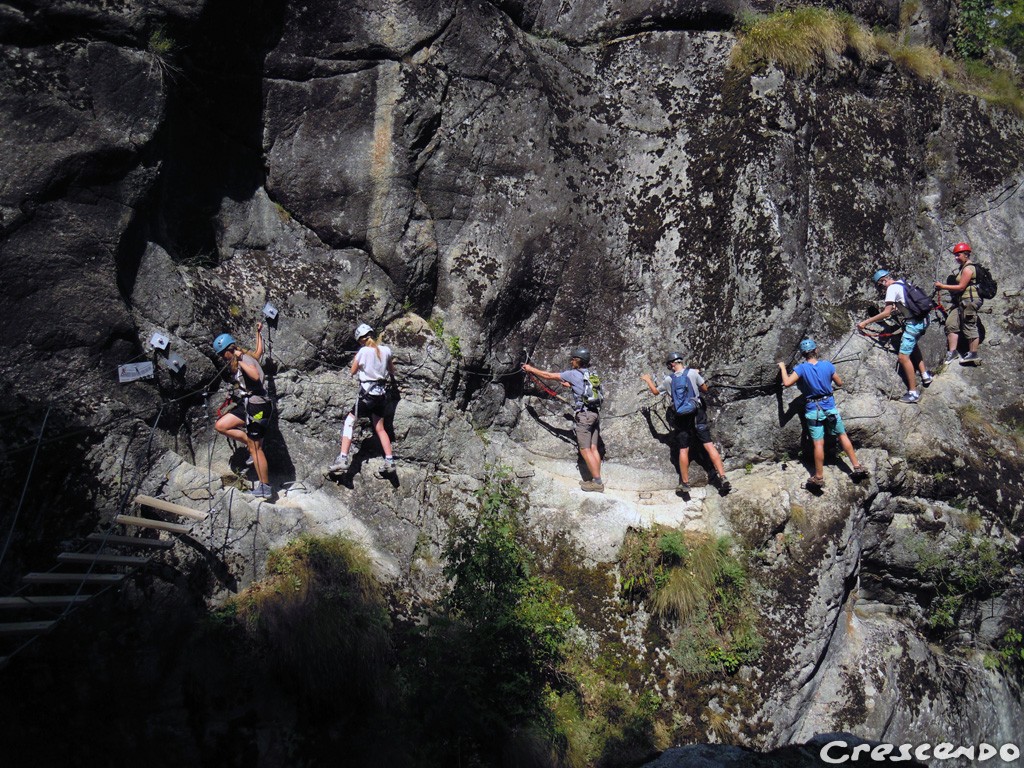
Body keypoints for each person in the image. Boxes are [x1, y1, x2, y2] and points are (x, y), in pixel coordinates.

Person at [779, 339, 868, 488]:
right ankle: (857, 466)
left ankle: (819, 477)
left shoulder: (801, 369)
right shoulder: (827, 365)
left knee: (818, 443)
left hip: (813, 410)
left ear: (802, 354)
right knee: (842, 435)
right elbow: (839, 383)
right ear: (816, 350)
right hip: (830, 408)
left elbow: (787, 383)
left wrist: (782, 367)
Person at [640, 352, 731, 494]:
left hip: (681, 417)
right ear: (680, 361)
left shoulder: (669, 380)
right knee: (708, 445)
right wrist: (697, 377)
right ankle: (723, 477)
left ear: (672, 364)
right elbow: (705, 389)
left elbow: (656, 392)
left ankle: (685, 483)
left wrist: (648, 380)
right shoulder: (692, 373)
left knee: (684, 449)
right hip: (697, 414)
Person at [522, 347, 604, 492]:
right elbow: (585, 388)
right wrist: (571, 385)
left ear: (577, 360)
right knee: (593, 448)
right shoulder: (591, 374)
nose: (571, 361)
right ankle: (596, 480)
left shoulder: (572, 374)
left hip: (584, 416)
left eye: (573, 359)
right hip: (594, 413)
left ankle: (597, 483)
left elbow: (548, 375)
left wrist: (530, 369)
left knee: (585, 449)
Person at [329, 323, 397, 475]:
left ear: (361, 340)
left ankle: (343, 458)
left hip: (367, 396)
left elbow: (352, 371)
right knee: (380, 428)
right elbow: (392, 370)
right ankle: (389, 460)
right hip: (381, 396)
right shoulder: (386, 350)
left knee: (349, 422)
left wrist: (358, 360)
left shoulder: (363, 351)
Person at [857, 269, 933, 403]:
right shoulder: (903, 283)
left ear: (883, 281)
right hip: (924, 319)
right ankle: (925, 375)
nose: (881, 289)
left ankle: (913, 393)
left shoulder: (891, 289)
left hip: (914, 324)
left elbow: (886, 313)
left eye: (880, 286)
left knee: (903, 358)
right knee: (913, 345)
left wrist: (865, 322)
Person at [213, 332, 273, 499]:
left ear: (229, 350)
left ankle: (265, 487)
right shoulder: (247, 356)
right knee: (221, 425)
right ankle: (249, 442)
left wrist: (239, 359)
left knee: (256, 448)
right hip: (247, 404)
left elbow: (255, 375)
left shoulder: (243, 358)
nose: (222, 358)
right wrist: (258, 333)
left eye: (222, 354)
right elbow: (259, 352)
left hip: (258, 406)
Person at [934, 242, 981, 365]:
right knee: (951, 324)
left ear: (966, 254)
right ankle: (953, 352)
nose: (956, 258)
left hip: (970, 301)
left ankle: (973, 353)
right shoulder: (963, 268)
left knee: (969, 324)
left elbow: (961, 287)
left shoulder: (969, 269)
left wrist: (943, 286)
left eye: (958, 255)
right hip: (961, 302)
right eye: (955, 255)